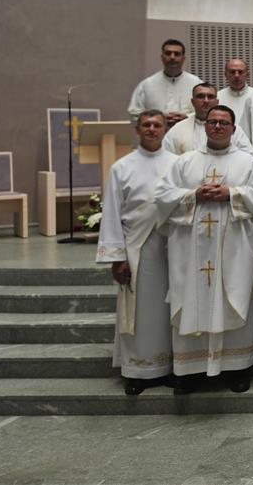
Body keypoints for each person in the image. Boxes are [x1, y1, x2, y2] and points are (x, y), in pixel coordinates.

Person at [157, 105, 253, 393]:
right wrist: (193, 195)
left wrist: (231, 194)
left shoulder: (248, 163)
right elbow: (162, 197)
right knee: (191, 300)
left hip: (234, 252)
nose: (218, 127)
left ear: (233, 128)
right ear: (205, 126)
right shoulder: (185, 162)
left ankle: (238, 368)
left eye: (223, 123)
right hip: (190, 252)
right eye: (213, 122)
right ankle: (189, 371)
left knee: (233, 299)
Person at [95, 110, 177, 395]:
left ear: (165, 129)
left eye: (157, 125)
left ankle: (170, 367)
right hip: (136, 249)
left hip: (171, 247)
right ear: (137, 129)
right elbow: (112, 213)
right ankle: (137, 372)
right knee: (139, 312)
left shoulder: (178, 164)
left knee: (169, 309)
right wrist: (117, 257)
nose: (152, 129)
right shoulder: (122, 167)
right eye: (146, 125)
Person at [162, 83, 253, 156]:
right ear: (192, 101)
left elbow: (247, 157)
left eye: (210, 97)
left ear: (217, 101)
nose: (206, 101)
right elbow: (167, 157)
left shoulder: (231, 127)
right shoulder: (178, 129)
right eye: (200, 96)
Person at [127, 39, 201, 125]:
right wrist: (157, 119)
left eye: (177, 54)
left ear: (183, 58)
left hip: (188, 131)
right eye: (168, 53)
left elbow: (207, 111)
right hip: (157, 133)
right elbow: (134, 113)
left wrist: (188, 117)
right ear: (162, 57)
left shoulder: (196, 83)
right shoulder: (147, 85)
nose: (172, 57)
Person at [218, 57, 253, 147]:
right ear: (225, 75)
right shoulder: (217, 97)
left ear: (247, 74)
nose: (236, 75)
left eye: (240, 72)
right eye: (232, 72)